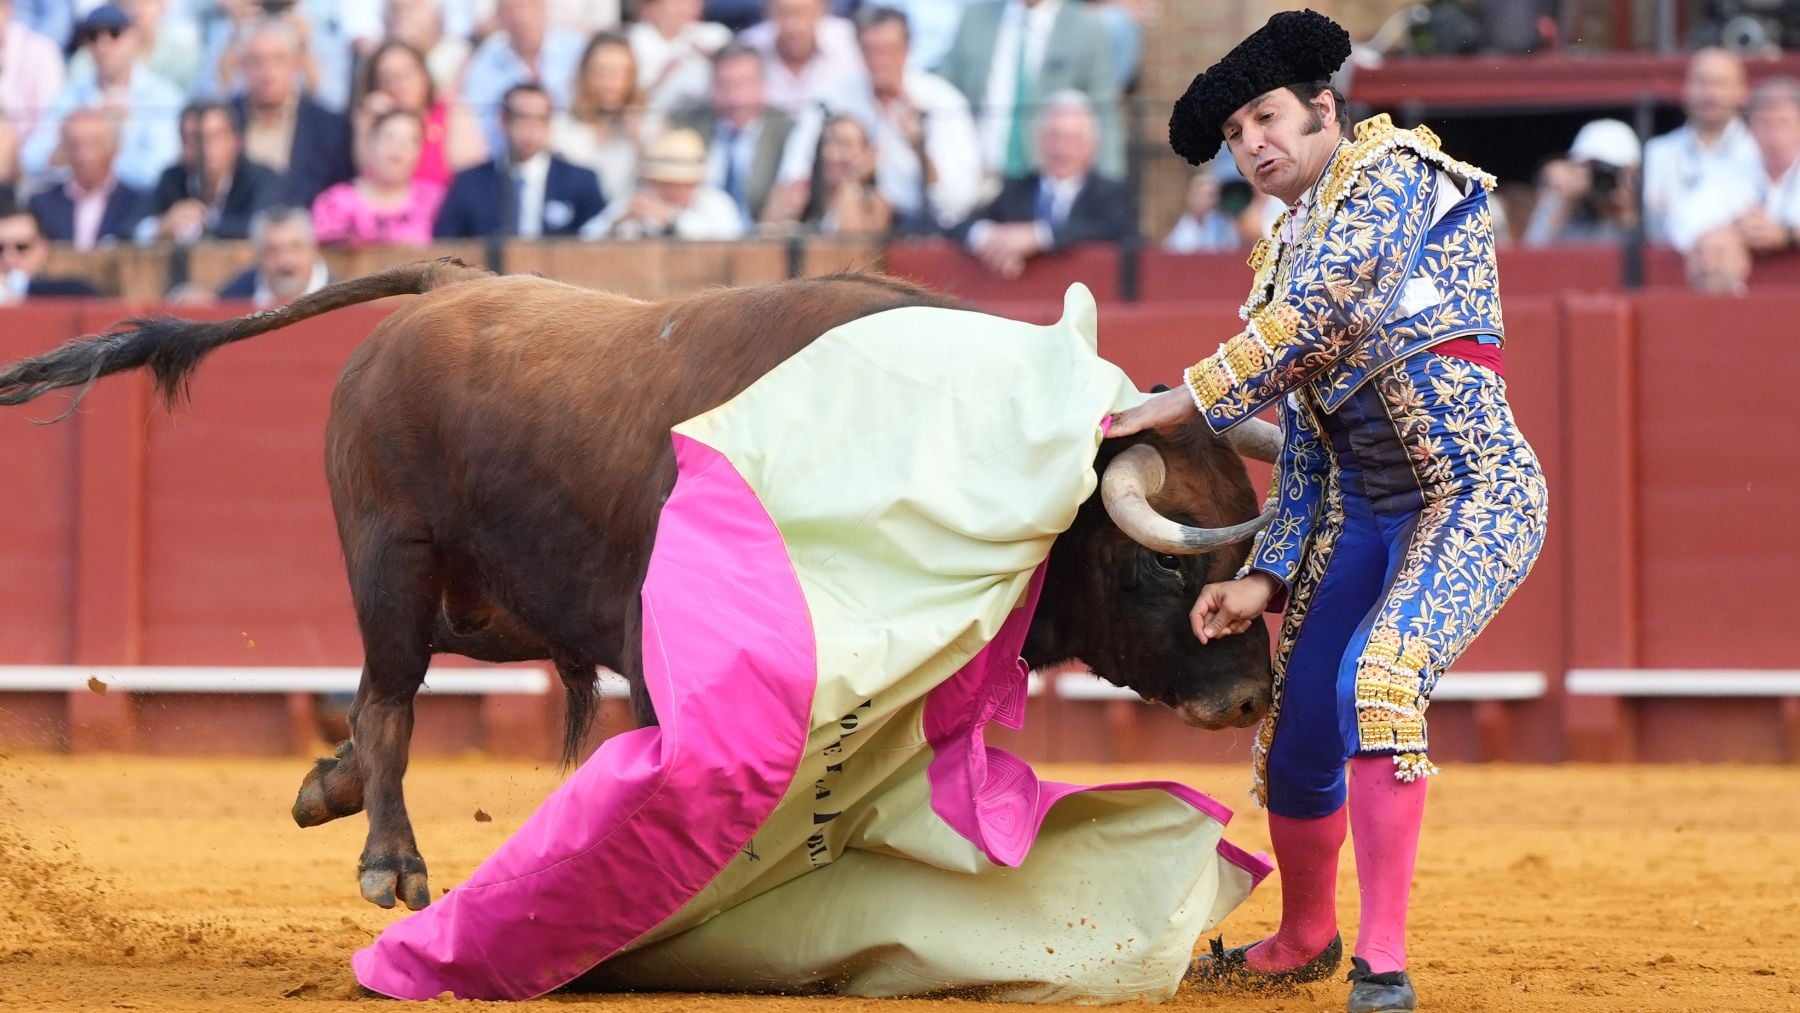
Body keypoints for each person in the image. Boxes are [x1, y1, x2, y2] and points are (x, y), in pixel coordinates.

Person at [1108, 12, 1547, 1013]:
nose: (1253, 144)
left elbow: (1338, 307)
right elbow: (1308, 439)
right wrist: (1265, 569)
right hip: (1360, 512)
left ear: (1323, 109)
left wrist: (1189, 395)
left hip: (1471, 491)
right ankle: (1305, 932)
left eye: (1265, 118)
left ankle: (1382, 963)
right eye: (1234, 137)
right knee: (1301, 725)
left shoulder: (1397, 174)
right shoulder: (1282, 255)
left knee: (1378, 679)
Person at [951, 91, 1135, 279]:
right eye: (1054, 137)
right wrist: (990, 238)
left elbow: (1121, 233)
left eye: (1072, 139)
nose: (1061, 150)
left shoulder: (1111, 194)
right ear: (1040, 140)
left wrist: (1039, 236)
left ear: (1091, 146)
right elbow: (956, 226)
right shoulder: (1016, 190)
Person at [19, 3, 184, 193]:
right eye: (93, 35)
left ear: (134, 38)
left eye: (114, 33)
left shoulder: (162, 96)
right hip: (76, 202)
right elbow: (31, 157)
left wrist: (107, 149)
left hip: (133, 207)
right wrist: (72, 145)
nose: (103, 45)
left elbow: (159, 171)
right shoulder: (72, 93)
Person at [435, 83, 606, 239]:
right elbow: (447, 244)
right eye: (522, 118)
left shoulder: (580, 181)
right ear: (503, 120)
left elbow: (600, 241)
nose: (530, 128)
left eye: (539, 119)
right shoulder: (470, 182)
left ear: (549, 124)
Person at [227, 16, 356, 209]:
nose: (267, 72)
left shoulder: (330, 126)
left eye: (278, 60)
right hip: (237, 233)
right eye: (256, 61)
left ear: (295, 64)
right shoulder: (223, 120)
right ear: (242, 66)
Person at [1642, 46, 1759, 249]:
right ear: (1686, 89)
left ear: (1742, 92)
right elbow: (1650, 224)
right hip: (1667, 270)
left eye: (1721, 84)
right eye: (1702, 82)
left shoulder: (1762, 152)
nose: (1710, 94)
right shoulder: (1658, 152)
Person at [138, 101, 281, 244]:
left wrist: (201, 225)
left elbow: (258, 226)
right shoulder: (172, 178)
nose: (205, 148)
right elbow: (130, 226)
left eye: (214, 137)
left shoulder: (260, 178)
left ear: (235, 141)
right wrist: (161, 226)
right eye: (193, 138)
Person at [353, 39, 488, 191]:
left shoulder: (452, 113)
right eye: (387, 78)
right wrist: (367, 123)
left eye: (407, 73)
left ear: (424, 74)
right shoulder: (372, 120)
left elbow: (470, 182)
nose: (399, 84)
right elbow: (368, 182)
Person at [578, 126, 743, 239]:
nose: (675, 189)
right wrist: (619, 222)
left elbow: (727, 241)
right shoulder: (638, 201)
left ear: (697, 182)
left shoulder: (717, 202)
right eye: (666, 182)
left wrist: (672, 219)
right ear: (653, 181)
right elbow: (584, 237)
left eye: (684, 183)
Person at [551, 31, 651, 207]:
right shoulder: (561, 128)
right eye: (601, 71)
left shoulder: (648, 126)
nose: (610, 82)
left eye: (620, 73)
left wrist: (638, 141)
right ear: (585, 73)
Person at [28, 108, 147, 250]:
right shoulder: (42, 205)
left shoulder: (139, 203)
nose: (84, 155)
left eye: (94, 144)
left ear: (115, 147)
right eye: (74, 145)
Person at [761, 112, 891, 236]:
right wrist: (788, 213)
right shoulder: (803, 191)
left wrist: (852, 180)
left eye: (846, 145)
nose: (834, 155)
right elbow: (761, 242)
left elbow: (852, 247)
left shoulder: (876, 203)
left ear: (865, 153)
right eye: (828, 143)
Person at [1522, 118, 1640, 246]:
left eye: (1611, 171)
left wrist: (1628, 213)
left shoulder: (1649, 212)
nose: (1602, 179)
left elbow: (1657, 253)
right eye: (1593, 171)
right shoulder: (1565, 211)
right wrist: (1563, 201)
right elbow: (1531, 253)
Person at [216, 205, 332, 306]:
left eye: (295, 248)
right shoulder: (235, 298)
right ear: (258, 256)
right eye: (273, 251)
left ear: (313, 249)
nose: (285, 261)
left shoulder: (342, 301)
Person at [0, 200, 100, 301]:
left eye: (22, 247)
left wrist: (21, 287)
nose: (9, 258)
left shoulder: (73, 291)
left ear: (42, 248)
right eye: (0, 248)